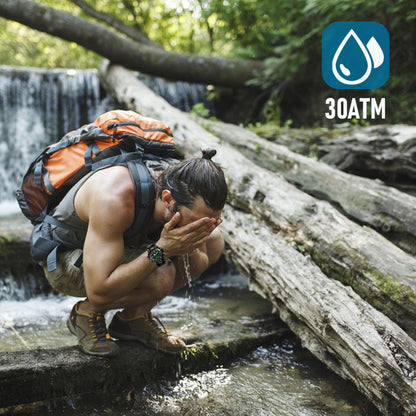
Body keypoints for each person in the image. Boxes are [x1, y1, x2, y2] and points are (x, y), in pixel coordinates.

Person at [42, 148, 228, 357]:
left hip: (125, 248)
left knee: (214, 241)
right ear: (167, 199)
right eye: (196, 222)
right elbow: (99, 290)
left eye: (211, 221)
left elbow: (199, 263)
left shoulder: (182, 190)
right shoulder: (115, 198)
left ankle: (133, 319)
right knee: (161, 276)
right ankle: (85, 313)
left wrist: (194, 238)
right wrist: (162, 250)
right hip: (67, 260)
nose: (202, 228)